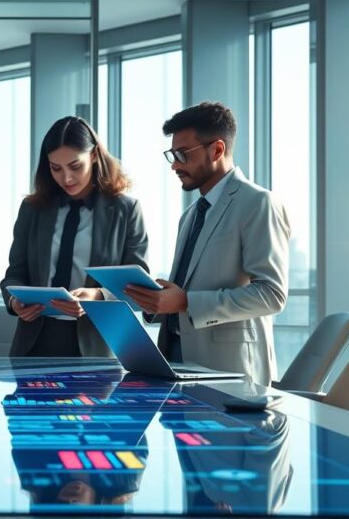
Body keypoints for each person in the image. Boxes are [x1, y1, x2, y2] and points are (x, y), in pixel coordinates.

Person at [124, 102, 290, 385]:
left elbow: (272, 294)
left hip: (230, 369)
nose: (175, 164)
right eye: (172, 155)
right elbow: (183, 291)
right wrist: (157, 301)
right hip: (175, 362)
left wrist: (187, 302)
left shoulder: (258, 203)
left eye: (182, 154)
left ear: (217, 150)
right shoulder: (190, 215)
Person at [1, 116, 149, 357]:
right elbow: (14, 275)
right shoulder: (33, 209)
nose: (66, 178)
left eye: (75, 166)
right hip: (35, 342)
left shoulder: (125, 210)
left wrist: (97, 296)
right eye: (55, 168)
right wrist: (14, 302)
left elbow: (138, 286)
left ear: (93, 155)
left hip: (98, 343)